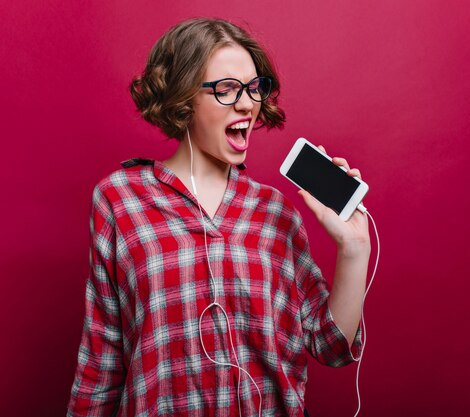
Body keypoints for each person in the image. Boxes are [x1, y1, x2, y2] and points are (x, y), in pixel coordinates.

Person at [67, 18, 370, 417]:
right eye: (227, 89)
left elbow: (331, 347)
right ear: (183, 97)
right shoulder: (120, 200)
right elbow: (102, 358)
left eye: (253, 87)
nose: (247, 104)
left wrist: (354, 249)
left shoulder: (276, 213)